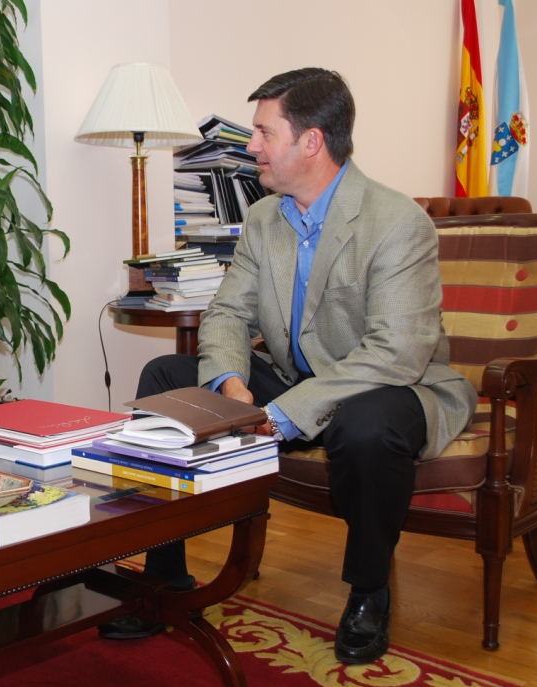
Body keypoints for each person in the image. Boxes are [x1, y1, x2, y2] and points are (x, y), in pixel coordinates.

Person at [99, 68, 477, 665]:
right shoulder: (264, 218)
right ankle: (165, 576)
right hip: (292, 378)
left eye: (263, 132)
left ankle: (369, 592)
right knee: (165, 377)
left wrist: (278, 415)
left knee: (366, 424)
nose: (250, 145)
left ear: (311, 142)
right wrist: (230, 383)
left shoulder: (396, 222)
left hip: (389, 386)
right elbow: (227, 314)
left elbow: (396, 352)